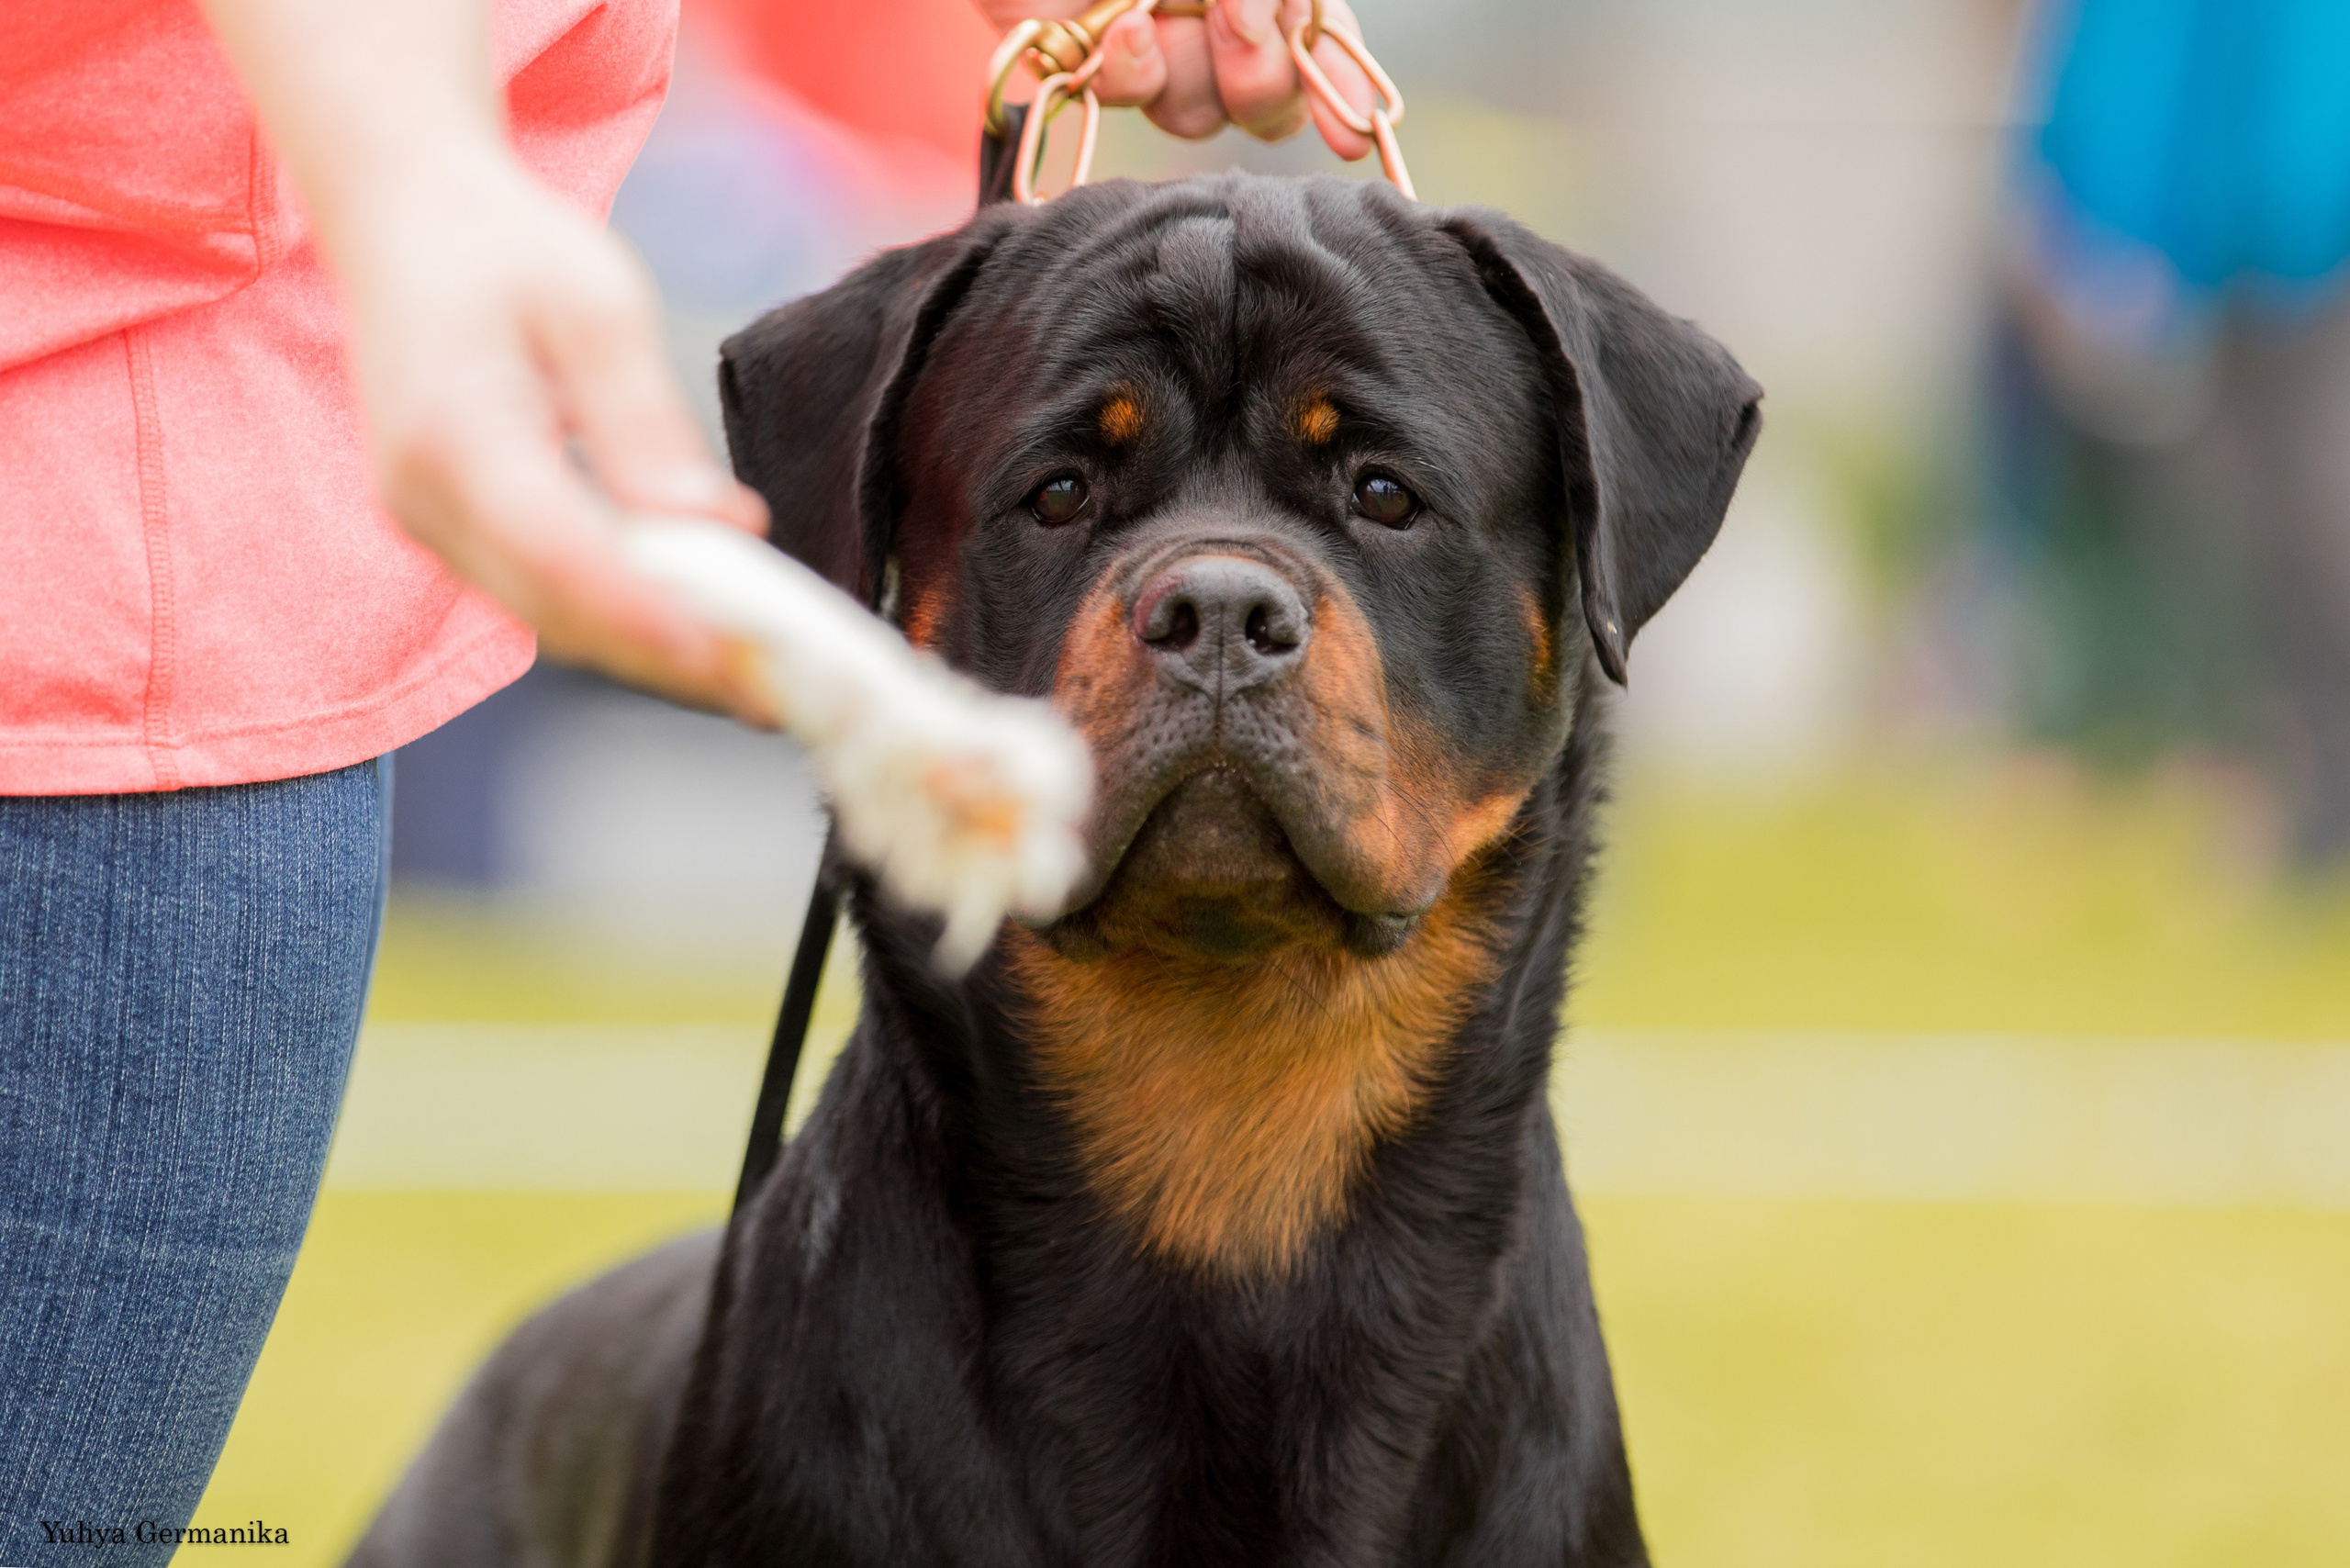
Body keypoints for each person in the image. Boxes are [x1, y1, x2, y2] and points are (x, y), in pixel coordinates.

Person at [0, 0, 1373, 1557]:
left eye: (1380, 495)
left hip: (141, 544)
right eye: (1061, 491)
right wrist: (414, 168)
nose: (1218, 600)